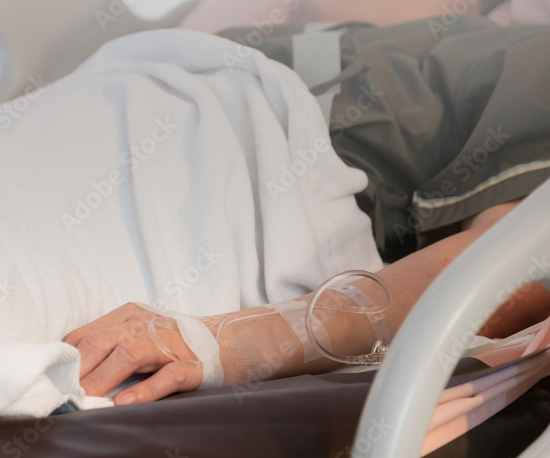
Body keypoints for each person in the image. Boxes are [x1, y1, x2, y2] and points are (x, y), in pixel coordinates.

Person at [69, 16, 550, 405]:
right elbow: (502, 277)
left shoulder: (489, 47)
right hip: (219, 131)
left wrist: (217, 344)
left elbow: (506, 276)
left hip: (173, 84)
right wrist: (217, 345)